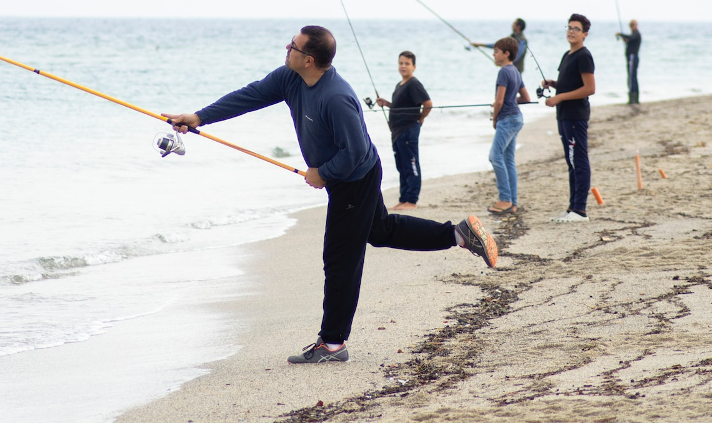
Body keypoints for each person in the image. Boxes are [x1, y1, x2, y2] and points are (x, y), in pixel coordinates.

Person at [165, 25, 498, 365]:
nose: (286, 49)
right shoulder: (289, 78)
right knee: (380, 231)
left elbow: (353, 152)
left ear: (308, 59)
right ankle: (458, 234)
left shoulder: (335, 97)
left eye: (292, 46)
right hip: (348, 177)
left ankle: (334, 343)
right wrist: (199, 117)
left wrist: (323, 173)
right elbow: (250, 95)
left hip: (355, 179)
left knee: (339, 259)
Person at [541, 14, 596, 222]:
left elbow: (590, 88)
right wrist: (553, 84)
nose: (571, 31)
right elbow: (571, 83)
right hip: (564, 116)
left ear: (585, 34)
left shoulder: (584, 56)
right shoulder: (568, 54)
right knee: (571, 161)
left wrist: (559, 97)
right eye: (569, 27)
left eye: (576, 29)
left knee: (579, 160)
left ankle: (580, 210)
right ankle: (572, 207)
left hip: (575, 116)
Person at [375, 51, 433, 210]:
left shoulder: (414, 83)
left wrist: (420, 118)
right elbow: (400, 107)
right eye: (401, 63)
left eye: (407, 63)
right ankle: (404, 198)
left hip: (408, 130)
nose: (403, 66)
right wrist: (387, 104)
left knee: (411, 164)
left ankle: (411, 200)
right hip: (397, 131)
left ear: (414, 66)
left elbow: (428, 103)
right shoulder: (400, 85)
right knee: (401, 165)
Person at [486, 37, 533, 215]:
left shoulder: (504, 72)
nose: (493, 54)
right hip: (517, 118)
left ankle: (505, 199)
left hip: (507, 119)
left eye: (496, 51)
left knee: (494, 156)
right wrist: (507, 102)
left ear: (506, 54)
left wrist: (495, 118)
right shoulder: (515, 71)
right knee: (508, 160)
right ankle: (512, 203)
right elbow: (526, 98)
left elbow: (499, 101)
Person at [614, 19, 641, 104]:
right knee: (632, 77)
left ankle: (633, 99)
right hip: (631, 58)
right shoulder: (634, 35)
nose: (632, 26)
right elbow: (629, 39)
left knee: (631, 78)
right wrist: (624, 39)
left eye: (633, 24)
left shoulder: (636, 34)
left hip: (632, 57)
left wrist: (620, 34)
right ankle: (634, 99)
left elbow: (630, 38)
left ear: (636, 25)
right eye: (631, 25)